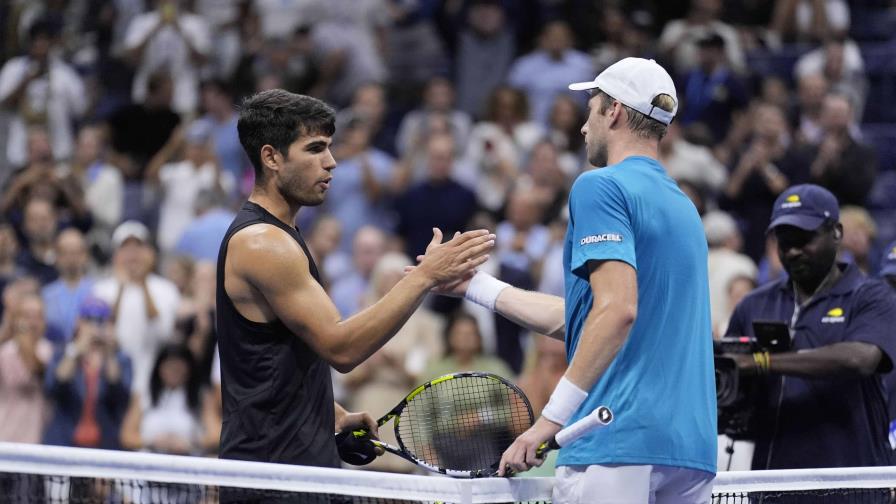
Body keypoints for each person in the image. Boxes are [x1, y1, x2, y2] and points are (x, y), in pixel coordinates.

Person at [431, 58, 716, 502]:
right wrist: (474, 285)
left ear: (614, 112)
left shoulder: (599, 186)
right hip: (689, 450)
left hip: (614, 440)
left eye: (591, 109)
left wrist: (550, 420)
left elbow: (617, 311)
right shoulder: (683, 207)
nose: (584, 127)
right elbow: (592, 320)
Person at [217, 89, 493, 467]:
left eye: (330, 148)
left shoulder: (281, 236)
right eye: (315, 149)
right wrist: (425, 276)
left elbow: (273, 362)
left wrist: (332, 413)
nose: (331, 162)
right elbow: (342, 349)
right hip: (274, 473)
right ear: (271, 157)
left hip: (292, 462)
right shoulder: (263, 244)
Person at [724, 184, 896, 469]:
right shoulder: (753, 305)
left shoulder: (872, 296)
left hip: (853, 480)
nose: (792, 251)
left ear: (836, 232)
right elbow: (733, 389)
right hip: (774, 481)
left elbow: (859, 358)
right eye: (784, 241)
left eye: (804, 239)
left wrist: (763, 362)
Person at [43, 297, 132, 449]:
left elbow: (120, 396)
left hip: (104, 443)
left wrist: (109, 352)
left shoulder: (121, 359)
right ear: (79, 321)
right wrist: (76, 350)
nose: (94, 326)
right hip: (64, 440)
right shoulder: (62, 352)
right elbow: (54, 387)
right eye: (88, 320)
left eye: (101, 321)